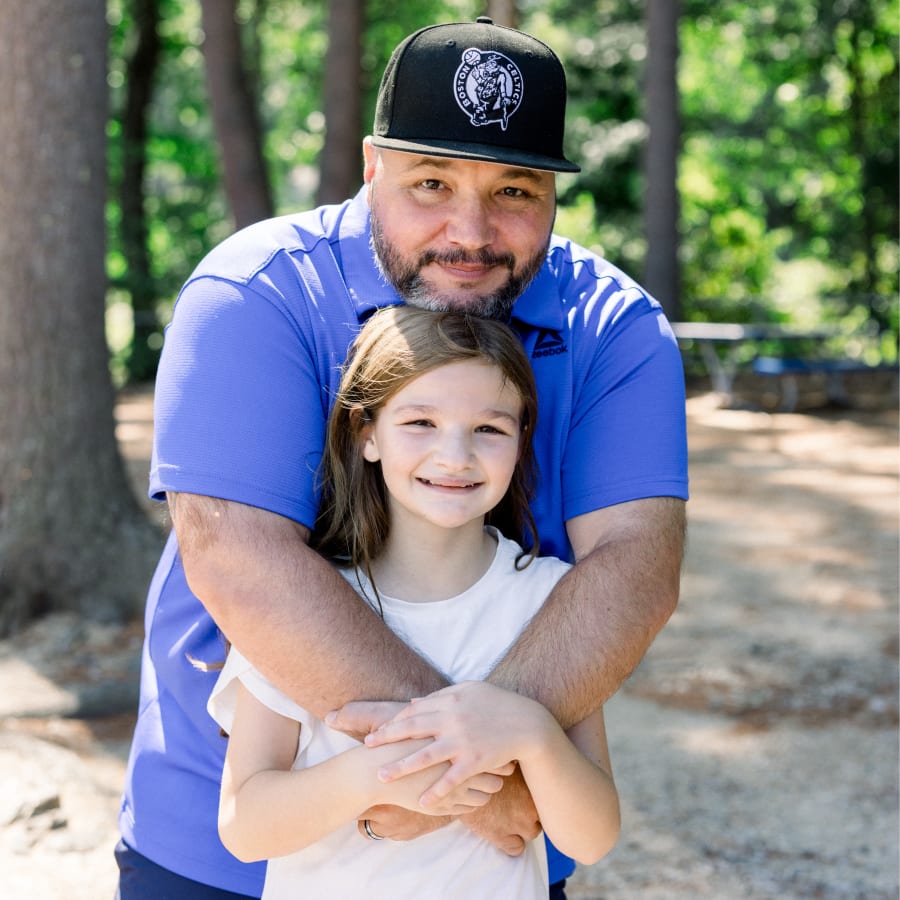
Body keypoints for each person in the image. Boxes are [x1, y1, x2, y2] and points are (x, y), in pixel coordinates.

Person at [116, 16, 688, 900]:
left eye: (515, 191)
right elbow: (239, 557)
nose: (471, 230)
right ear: (371, 164)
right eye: (431, 181)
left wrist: (468, 788)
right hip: (236, 846)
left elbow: (636, 565)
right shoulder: (254, 292)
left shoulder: (617, 328)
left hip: (495, 867)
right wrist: (474, 781)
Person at [205, 306, 621, 898]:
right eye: (421, 422)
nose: (455, 456)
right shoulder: (309, 601)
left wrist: (531, 731)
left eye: (489, 429)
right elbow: (244, 825)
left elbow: (593, 838)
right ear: (367, 434)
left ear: (521, 440)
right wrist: (377, 776)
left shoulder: (551, 598)